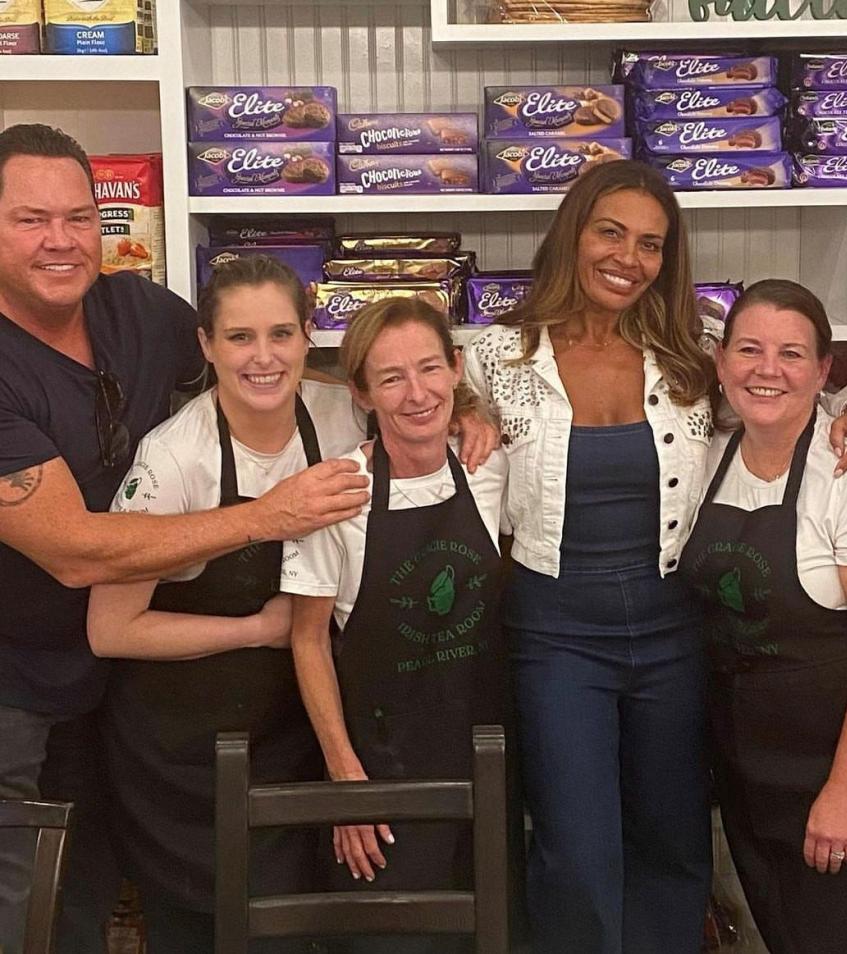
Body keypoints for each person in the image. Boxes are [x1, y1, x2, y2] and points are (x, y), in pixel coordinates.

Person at [461, 159, 847, 954]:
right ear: (573, 234)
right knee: (577, 850)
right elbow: (431, 416)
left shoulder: (690, 354)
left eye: (652, 244)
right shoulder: (499, 359)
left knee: (674, 843)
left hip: (675, 633)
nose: (630, 258)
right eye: (612, 233)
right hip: (555, 635)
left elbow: (783, 392)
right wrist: (462, 412)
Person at [0, 124, 371, 954]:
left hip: (123, 697)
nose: (60, 240)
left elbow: (259, 354)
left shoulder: (137, 310)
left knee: (91, 891)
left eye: (78, 216)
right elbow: (73, 550)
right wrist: (272, 518)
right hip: (19, 687)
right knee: (28, 903)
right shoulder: (160, 451)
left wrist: (425, 403)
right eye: (30, 219)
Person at [81, 255, 368, 951]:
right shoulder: (174, 458)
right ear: (207, 346)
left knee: (297, 928)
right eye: (239, 338)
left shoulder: (339, 417)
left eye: (281, 334)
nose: (263, 358)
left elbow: (427, 405)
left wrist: (473, 419)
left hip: (292, 738)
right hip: (180, 758)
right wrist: (253, 628)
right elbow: (111, 629)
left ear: (308, 335)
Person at [679, 278, 847, 954]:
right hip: (749, 769)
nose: (768, 370)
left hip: (842, 768)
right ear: (721, 362)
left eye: (792, 354)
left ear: (823, 370)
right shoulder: (705, 458)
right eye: (750, 350)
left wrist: (845, 792)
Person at [283, 297, 509, 954]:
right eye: (391, 378)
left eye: (430, 369)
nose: (417, 394)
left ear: (457, 368)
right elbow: (307, 641)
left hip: (488, 761)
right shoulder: (335, 493)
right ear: (362, 391)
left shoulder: (491, 468)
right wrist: (346, 781)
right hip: (383, 773)